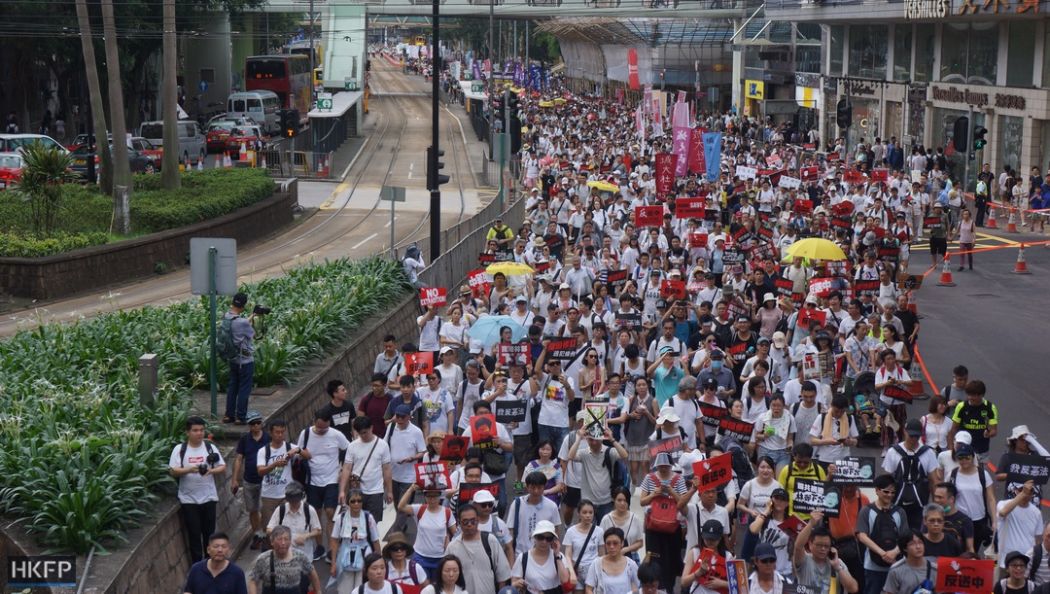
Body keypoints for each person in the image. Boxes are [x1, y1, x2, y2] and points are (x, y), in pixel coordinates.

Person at [169, 416, 226, 563]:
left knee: (209, 535)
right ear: (187, 432)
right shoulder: (180, 449)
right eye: (195, 430)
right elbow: (173, 471)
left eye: (201, 430)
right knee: (194, 535)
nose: (199, 433)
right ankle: (197, 566)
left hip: (209, 497)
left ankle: (210, 563)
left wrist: (211, 471)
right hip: (188, 499)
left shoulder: (209, 447)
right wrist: (189, 469)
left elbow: (222, 466)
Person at [297, 408, 350, 559]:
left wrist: (343, 468)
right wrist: (302, 454)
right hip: (312, 481)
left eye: (325, 428)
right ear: (314, 421)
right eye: (319, 427)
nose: (322, 431)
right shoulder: (305, 434)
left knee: (330, 513)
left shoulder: (336, 435)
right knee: (315, 514)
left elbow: (348, 449)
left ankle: (332, 549)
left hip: (331, 480)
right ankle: (319, 546)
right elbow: (298, 452)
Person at [881, 418, 940, 530]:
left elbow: (934, 481)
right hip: (896, 503)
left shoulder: (928, 453)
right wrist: (884, 503)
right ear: (905, 431)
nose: (913, 439)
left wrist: (935, 506)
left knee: (917, 534)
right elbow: (886, 480)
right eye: (911, 435)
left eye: (916, 436)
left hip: (920, 505)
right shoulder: (893, 452)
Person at [856, 474, 911, 594]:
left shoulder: (900, 512)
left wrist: (894, 552)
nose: (889, 495)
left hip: (896, 564)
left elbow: (906, 536)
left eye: (893, 492)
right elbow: (862, 536)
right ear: (877, 490)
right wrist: (883, 553)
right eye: (886, 491)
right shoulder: (866, 511)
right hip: (872, 566)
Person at [446, 503, 513, 594]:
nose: (469, 524)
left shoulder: (490, 541)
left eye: (473, 521)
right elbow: (445, 578)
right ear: (459, 522)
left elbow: (502, 575)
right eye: (465, 522)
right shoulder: (452, 547)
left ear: (478, 520)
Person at [338, 416, 394, 521]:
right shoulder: (352, 446)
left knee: (373, 522)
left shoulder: (383, 445)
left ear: (371, 428)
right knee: (356, 521)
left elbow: (386, 469)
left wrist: (389, 491)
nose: (363, 435)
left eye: (365, 432)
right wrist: (342, 491)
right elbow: (347, 468)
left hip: (376, 490)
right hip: (357, 490)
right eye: (360, 433)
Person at [568, 425, 628, 522]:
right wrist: (579, 438)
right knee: (588, 529)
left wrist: (612, 439)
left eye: (597, 439)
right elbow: (570, 456)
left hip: (606, 501)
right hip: (588, 501)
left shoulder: (609, 451)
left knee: (605, 529)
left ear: (602, 439)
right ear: (587, 440)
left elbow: (624, 455)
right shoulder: (584, 453)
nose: (594, 443)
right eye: (591, 440)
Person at [397, 484, 456, 581]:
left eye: (435, 496)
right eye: (429, 496)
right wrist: (411, 489)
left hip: (440, 558)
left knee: (437, 586)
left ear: (440, 496)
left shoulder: (447, 512)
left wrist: (449, 544)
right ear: (425, 497)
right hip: (420, 557)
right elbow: (401, 506)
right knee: (421, 586)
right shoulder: (420, 509)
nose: (432, 499)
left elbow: (455, 534)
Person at [794, 511, 860, 594]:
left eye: (826, 546)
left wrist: (838, 568)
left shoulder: (837, 563)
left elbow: (853, 588)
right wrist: (811, 524)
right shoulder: (805, 560)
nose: (823, 548)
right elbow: (798, 546)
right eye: (819, 545)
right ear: (810, 544)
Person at [948, 442, 997, 553]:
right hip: (959, 520)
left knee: (973, 552)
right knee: (959, 551)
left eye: (967, 457)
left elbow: (991, 499)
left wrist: (994, 520)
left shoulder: (983, 474)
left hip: (979, 520)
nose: (964, 460)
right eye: (960, 457)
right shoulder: (952, 475)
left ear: (972, 457)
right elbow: (946, 496)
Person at [329, 489, 381, 592]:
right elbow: (334, 540)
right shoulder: (341, 518)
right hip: (345, 558)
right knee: (345, 590)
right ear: (348, 502)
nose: (356, 504)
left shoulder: (368, 518)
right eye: (353, 501)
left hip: (364, 558)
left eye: (359, 501)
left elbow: (375, 541)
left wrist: (379, 563)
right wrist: (333, 563)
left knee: (362, 589)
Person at [246, 526, 321, 594]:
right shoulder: (263, 559)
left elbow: (312, 572)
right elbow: (253, 580)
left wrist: (318, 591)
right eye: (279, 539)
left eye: (286, 539)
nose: (283, 543)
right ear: (272, 542)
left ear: (290, 541)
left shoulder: (300, 556)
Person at [256, 419, 302, 530]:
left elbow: (308, 455)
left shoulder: (289, 447)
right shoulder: (263, 451)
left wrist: (298, 450)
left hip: (287, 494)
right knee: (269, 528)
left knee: (289, 526)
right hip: (269, 495)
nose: (280, 435)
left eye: (282, 432)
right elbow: (260, 471)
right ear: (271, 433)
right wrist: (274, 464)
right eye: (277, 432)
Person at [233, 411, 268, 550]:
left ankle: (265, 534)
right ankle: (257, 534)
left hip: (266, 480)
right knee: (252, 510)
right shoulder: (244, 440)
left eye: (258, 423)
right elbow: (239, 459)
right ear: (249, 425)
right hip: (249, 480)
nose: (256, 426)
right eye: (253, 424)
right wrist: (234, 479)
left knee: (264, 509)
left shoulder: (268, 438)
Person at [510, 520, 575, 594]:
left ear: (553, 540)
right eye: (540, 537)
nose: (544, 542)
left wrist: (557, 555)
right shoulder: (523, 558)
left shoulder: (559, 557)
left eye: (548, 538)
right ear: (535, 537)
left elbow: (565, 580)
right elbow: (514, 583)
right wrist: (517, 584)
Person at [508, 471, 563, 555]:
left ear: (544, 487)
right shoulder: (517, 504)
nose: (536, 491)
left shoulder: (552, 506)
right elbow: (510, 531)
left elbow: (556, 531)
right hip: (520, 554)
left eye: (539, 488)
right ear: (527, 487)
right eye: (533, 487)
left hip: (544, 554)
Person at [266, 481, 322, 562]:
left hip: (305, 557)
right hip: (284, 557)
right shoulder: (281, 510)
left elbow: (318, 530)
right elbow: (269, 529)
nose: (294, 504)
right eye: (291, 502)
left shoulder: (309, 510)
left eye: (296, 501)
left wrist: (305, 536)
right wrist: (286, 536)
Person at [223, 292, 256, 424]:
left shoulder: (226, 317)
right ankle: (240, 417)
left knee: (232, 387)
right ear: (243, 306)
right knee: (244, 389)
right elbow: (252, 334)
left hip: (233, 359)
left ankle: (228, 415)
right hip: (245, 361)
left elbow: (239, 323)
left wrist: (252, 315)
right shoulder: (243, 323)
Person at [998, 481, 1044, 570]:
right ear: (1015, 491)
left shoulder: (1037, 513)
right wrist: (1023, 493)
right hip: (1005, 563)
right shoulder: (1003, 504)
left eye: (1029, 491)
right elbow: (1003, 513)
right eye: (1021, 489)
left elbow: (1038, 539)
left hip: (1026, 564)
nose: (1026, 493)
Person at [949, 380, 999, 462]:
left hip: (981, 450)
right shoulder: (961, 406)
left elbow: (994, 431)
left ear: (981, 395)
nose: (970, 398)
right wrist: (951, 448)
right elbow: (954, 429)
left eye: (973, 395)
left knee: (980, 470)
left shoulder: (990, 408)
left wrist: (989, 434)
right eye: (969, 394)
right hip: (963, 449)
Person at [748, 487, 793, 577]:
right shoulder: (763, 518)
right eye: (776, 498)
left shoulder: (791, 522)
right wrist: (767, 510)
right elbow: (753, 530)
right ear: (771, 500)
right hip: (764, 570)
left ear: (787, 503)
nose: (779, 501)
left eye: (783, 499)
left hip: (785, 571)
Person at [182, 532, 247, 594]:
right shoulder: (196, 569)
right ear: (208, 550)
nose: (220, 550)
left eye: (224, 546)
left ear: (228, 550)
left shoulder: (237, 573)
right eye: (216, 546)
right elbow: (188, 591)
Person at [682, 519, 734, 594]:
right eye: (707, 538)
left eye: (713, 539)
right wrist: (698, 572)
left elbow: (737, 584)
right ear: (702, 536)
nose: (710, 541)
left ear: (720, 538)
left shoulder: (728, 556)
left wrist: (722, 583)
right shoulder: (694, 552)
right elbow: (684, 582)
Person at [584, 527, 640, 593]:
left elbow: (638, 587)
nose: (612, 547)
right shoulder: (596, 564)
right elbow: (589, 588)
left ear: (622, 543)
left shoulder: (631, 565)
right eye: (608, 543)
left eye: (615, 543)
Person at [563, 500, 603, 592]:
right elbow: (568, 555)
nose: (588, 515)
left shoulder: (599, 531)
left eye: (590, 512)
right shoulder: (571, 531)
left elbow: (602, 555)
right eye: (584, 512)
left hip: (593, 571)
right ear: (578, 514)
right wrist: (571, 572)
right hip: (577, 570)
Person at [600, 486, 645, 563]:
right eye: (619, 500)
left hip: (631, 558)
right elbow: (601, 543)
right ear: (614, 500)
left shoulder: (635, 519)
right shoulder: (606, 519)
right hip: (610, 558)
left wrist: (627, 549)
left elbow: (640, 542)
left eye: (625, 500)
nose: (622, 503)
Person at [931, 482, 976, 555]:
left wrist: (972, 559)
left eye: (940, 497)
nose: (936, 500)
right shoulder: (930, 517)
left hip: (955, 560)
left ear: (951, 499)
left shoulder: (965, 520)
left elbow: (969, 548)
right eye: (935, 497)